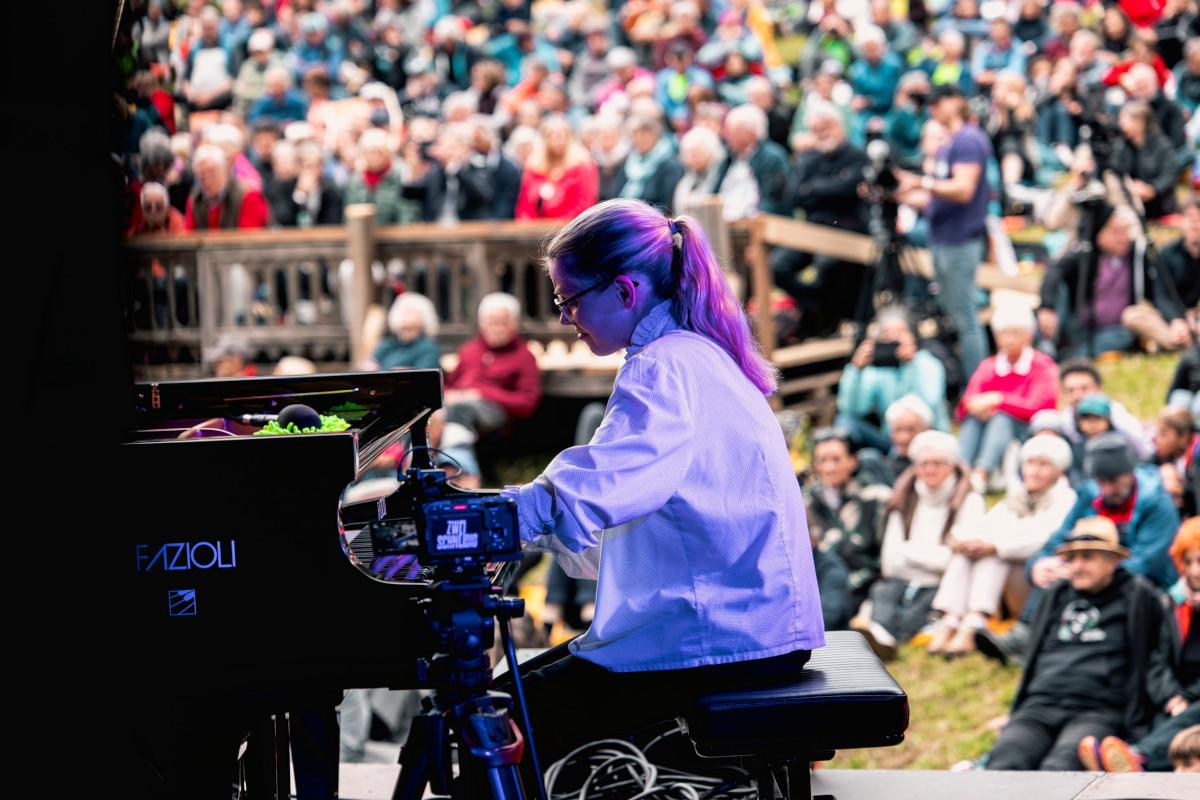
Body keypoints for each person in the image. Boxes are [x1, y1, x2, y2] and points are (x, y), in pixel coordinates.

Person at [498, 199, 824, 781]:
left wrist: (496, 516)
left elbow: (602, 482)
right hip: (750, 619)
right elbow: (642, 507)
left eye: (568, 299)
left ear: (624, 291)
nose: (565, 316)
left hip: (723, 635)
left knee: (499, 721)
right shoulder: (699, 352)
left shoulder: (661, 366)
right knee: (517, 697)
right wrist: (531, 524)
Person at [985, 516, 1178, 771]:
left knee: (1061, 769)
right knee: (1004, 763)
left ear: (1112, 561)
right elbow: (1033, 658)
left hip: (1097, 711)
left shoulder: (1138, 596)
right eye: (1071, 558)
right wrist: (1015, 711)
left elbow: (1159, 657)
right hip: (1040, 706)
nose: (1077, 566)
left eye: (1087, 557)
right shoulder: (1056, 594)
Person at [927, 435, 1076, 656]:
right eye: (1030, 463)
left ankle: (974, 623)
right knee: (970, 551)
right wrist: (961, 540)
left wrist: (995, 546)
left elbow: (1043, 538)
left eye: (1043, 465)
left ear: (1059, 470)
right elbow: (984, 525)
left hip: (1034, 581)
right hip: (1005, 585)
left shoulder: (1065, 499)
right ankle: (950, 620)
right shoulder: (1017, 498)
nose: (1034, 471)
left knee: (994, 552)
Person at [1078, 519, 1200, 772]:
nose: (1195, 570)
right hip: (1175, 699)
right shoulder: (1173, 604)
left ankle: (1138, 757)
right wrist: (1172, 696)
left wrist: (1187, 698)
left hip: (1195, 700)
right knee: (1165, 726)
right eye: (1188, 562)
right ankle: (1135, 764)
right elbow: (1157, 660)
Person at [853, 430, 985, 661]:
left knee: (912, 618)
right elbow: (890, 564)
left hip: (941, 585)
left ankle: (887, 640)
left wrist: (909, 550)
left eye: (937, 463)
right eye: (923, 464)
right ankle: (881, 636)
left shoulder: (970, 500)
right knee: (881, 591)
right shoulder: (904, 498)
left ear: (952, 466)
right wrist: (934, 557)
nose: (929, 469)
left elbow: (956, 562)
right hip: (900, 581)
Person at [895, 82, 993, 380]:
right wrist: (897, 192)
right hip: (944, 238)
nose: (932, 109)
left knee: (965, 317)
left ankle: (978, 385)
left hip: (961, 240)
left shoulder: (968, 139)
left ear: (955, 100)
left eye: (937, 101)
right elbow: (937, 196)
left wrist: (919, 182)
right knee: (955, 316)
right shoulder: (949, 142)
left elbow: (963, 190)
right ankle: (968, 380)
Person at [770, 102, 871, 337]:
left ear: (840, 126)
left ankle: (828, 317)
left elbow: (849, 189)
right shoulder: (809, 159)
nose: (823, 133)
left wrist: (813, 188)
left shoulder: (857, 155)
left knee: (826, 266)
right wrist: (829, 188)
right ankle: (814, 304)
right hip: (812, 231)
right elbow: (793, 196)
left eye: (827, 126)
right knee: (776, 265)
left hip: (845, 231)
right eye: (817, 129)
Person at [1038, 204, 1182, 357]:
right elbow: (1054, 271)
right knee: (1060, 288)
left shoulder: (1136, 257)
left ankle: (1076, 355)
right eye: (1115, 232)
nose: (1122, 238)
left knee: (1126, 335)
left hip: (1113, 330)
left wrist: (1174, 319)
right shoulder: (1086, 252)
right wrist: (1047, 306)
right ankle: (1048, 345)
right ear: (1099, 233)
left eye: (1125, 231)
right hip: (1077, 325)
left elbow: (1156, 290)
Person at [433, 292, 541, 486]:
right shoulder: (469, 350)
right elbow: (451, 383)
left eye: (503, 323)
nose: (497, 329)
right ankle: (423, 468)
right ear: (482, 324)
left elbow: (527, 403)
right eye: (491, 322)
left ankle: (461, 474)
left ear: (515, 324)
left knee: (460, 410)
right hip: (458, 407)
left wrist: (480, 392)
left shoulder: (524, 357)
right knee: (431, 413)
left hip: (495, 412)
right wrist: (448, 394)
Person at [955, 302, 1060, 493]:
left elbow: (1040, 406)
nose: (1008, 339)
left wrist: (999, 400)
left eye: (1014, 333)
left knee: (1001, 418)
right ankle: (960, 471)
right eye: (1003, 334)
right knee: (973, 419)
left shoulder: (1042, 365)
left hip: (1024, 429)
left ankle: (981, 473)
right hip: (988, 425)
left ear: (1028, 335)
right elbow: (966, 404)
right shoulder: (989, 365)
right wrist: (977, 407)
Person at [803, 427, 894, 628]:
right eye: (822, 460)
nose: (829, 467)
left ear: (853, 461)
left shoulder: (876, 499)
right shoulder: (806, 502)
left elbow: (885, 559)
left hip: (866, 584)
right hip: (824, 584)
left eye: (836, 459)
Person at [836, 307, 951, 454]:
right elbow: (852, 409)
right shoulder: (876, 370)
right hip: (893, 442)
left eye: (900, 332)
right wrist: (855, 370)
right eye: (886, 333)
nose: (893, 337)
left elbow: (928, 405)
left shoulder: (927, 363)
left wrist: (911, 364)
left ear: (912, 334)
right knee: (845, 420)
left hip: (928, 439)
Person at [514, 115, 598, 221]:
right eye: (552, 135)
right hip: (534, 232)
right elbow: (525, 206)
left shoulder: (583, 164)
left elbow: (584, 204)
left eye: (561, 135)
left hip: (570, 229)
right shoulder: (534, 165)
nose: (558, 140)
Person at [183, 143, 270, 230]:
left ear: (224, 170)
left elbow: (250, 238)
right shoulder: (195, 199)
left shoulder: (248, 196)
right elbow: (189, 236)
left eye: (211, 172)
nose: (207, 179)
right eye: (201, 174)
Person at [365, 292, 441, 371]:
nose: (403, 314)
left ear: (423, 317)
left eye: (410, 311)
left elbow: (423, 376)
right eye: (401, 310)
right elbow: (369, 366)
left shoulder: (428, 348)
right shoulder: (387, 344)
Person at [1154, 407, 1198, 510]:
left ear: (1184, 438)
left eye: (1163, 434)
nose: (1157, 440)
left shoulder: (1197, 458)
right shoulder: (1171, 454)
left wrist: (1181, 490)